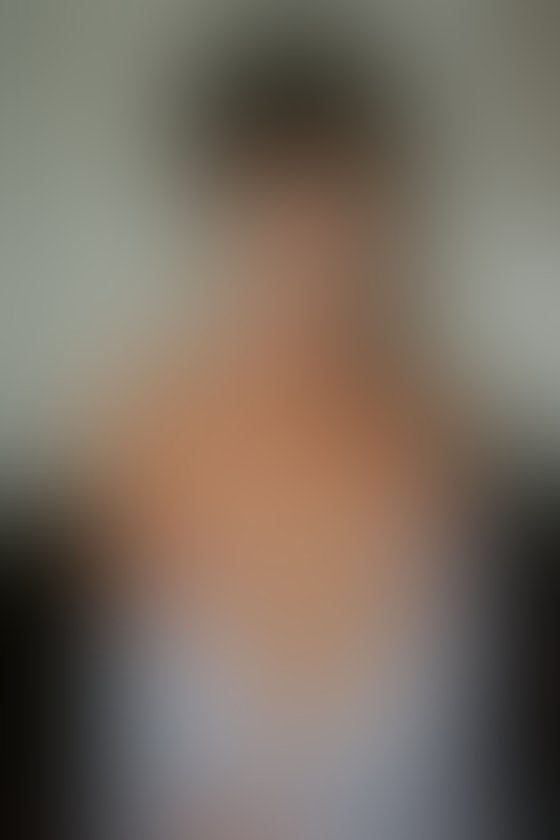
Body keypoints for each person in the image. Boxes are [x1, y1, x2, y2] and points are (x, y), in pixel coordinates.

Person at [2, 39, 558, 840]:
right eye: (279, 232)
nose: (316, 284)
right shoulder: (118, 469)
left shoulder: (484, 485)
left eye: (345, 237)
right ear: (224, 233)